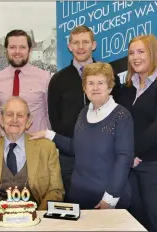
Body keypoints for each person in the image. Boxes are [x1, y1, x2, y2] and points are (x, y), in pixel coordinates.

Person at [31, 63, 134, 209]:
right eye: (90, 83)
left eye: (101, 83)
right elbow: (76, 147)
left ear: (110, 87)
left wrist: (110, 199)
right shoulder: (83, 113)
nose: (95, 88)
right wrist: (48, 134)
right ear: (84, 88)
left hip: (107, 199)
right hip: (78, 196)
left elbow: (124, 159)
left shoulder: (122, 116)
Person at [48, 25, 122, 200]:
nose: (80, 47)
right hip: (69, 158)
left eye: (85, 42)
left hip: (104, 155)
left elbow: (117, 112)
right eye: (76, 42)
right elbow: (54, 119)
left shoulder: (110, 75)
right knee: (72, 211)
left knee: (103, 213)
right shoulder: (58, 80)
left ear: (94, 45)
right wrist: (70, 143)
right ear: (69, 46)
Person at [117, 34, 157, 232]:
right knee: (134, 224)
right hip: (131, 169)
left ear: (153, 53)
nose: (135, 57)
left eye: (141, 51)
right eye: (131, 53)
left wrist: (131, 152)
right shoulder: (127, 88)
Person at [0, 97, 64, 210]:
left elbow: (56, 191)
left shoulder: (47, 148)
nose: (14, 119)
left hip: (34, 219)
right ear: (1, 120)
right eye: (9, 114)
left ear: (28, 121)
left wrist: (38, 215)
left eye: (20, 115)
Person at [0, 29, 51, 135]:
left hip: (37, 145)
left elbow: (50, 114)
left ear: (30, 50)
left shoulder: (45, 78)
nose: (17, 51)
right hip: (7, 147)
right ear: (6, 50)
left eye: (22, 47)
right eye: (12, 47)